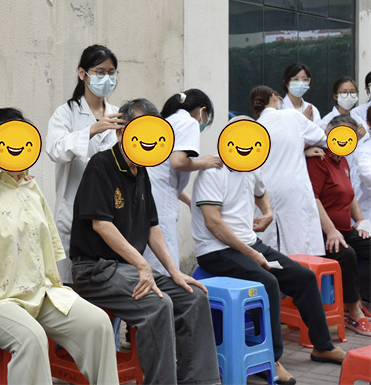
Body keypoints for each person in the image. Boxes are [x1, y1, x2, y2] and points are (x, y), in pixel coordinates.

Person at [0, 108, 119, 385]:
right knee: (32, 337)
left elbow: (48, 243)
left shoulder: (30, 187)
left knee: (97, 323)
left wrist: (58, 288)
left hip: (40, 292)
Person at [70, 98, 220, 385]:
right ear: (120, 132)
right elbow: (101, 225)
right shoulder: (101, 165)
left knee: (193, 296)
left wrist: (175, 272)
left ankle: (200, 381)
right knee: (157, 304)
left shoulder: (142, 172)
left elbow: (153, 227)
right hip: (95, 270)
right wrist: (142, 265)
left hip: (126, 271)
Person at [192, 118, 347, 385]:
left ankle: (323, 346)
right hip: (216, 250)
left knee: (304, 277)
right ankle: (271, 359)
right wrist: (253, 255)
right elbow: (213, 223)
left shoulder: (251, 165)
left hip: (249, 244)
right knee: (268, 283)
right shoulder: (213, 172)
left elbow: (260, 192)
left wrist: (268, 212)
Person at [46, 44, 123, 284]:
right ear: (83, 73)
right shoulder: (65, 113)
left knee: (109, 283)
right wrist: (91, 131)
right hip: (73, 212)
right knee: (71, 284)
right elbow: (55, 150)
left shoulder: (118, 114)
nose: (106, 78)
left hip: (110, 213)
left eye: (111, 73)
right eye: (100, 72)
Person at [144, 89, 222, 274]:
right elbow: (178, 162)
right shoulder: (188, 122)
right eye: (206, 118)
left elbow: (167, 176)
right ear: (202, 111)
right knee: (163, 262)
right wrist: (204, 162)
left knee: (150, 256)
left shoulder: (170, 120)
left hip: (148, 192)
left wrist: (190, 202)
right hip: (160, 202)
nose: (203, 122)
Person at [306, 115, 371, 335]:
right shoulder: (318, 158)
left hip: (344, 229)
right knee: (347, 254)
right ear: (329, 130)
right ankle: (353, 313)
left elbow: (350, 194)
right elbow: (313, 198)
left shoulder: (342, 160)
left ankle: (358, 300)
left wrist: (361, 222)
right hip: (322, 232)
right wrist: (331, 230)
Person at [251, 85, 327, 255]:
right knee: (300, 243)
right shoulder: (292, 116)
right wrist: (303, 148)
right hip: (293, 187)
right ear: (274, 97)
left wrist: (302, 150)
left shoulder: (255, 127)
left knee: (269, 246)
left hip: (265, 192)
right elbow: (322, 138)